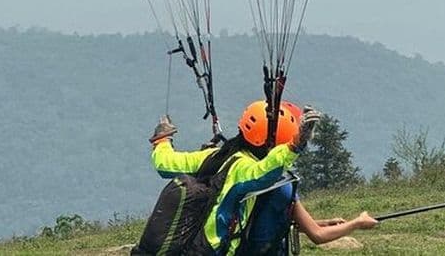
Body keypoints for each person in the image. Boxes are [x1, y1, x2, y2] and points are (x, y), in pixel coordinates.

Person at [143, 100, 320, 255]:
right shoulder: (242, 167)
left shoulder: (214, 154)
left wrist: (162, 140)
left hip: (191, 245)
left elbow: (165, 164)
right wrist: (294, 146)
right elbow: (265, 173)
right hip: (213, 250)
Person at [240, 102, 378, 255]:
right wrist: (357, 223)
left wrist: (325, 223)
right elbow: (318, 235)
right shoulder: (281, 186)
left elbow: (264, 224)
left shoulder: (241, 174)